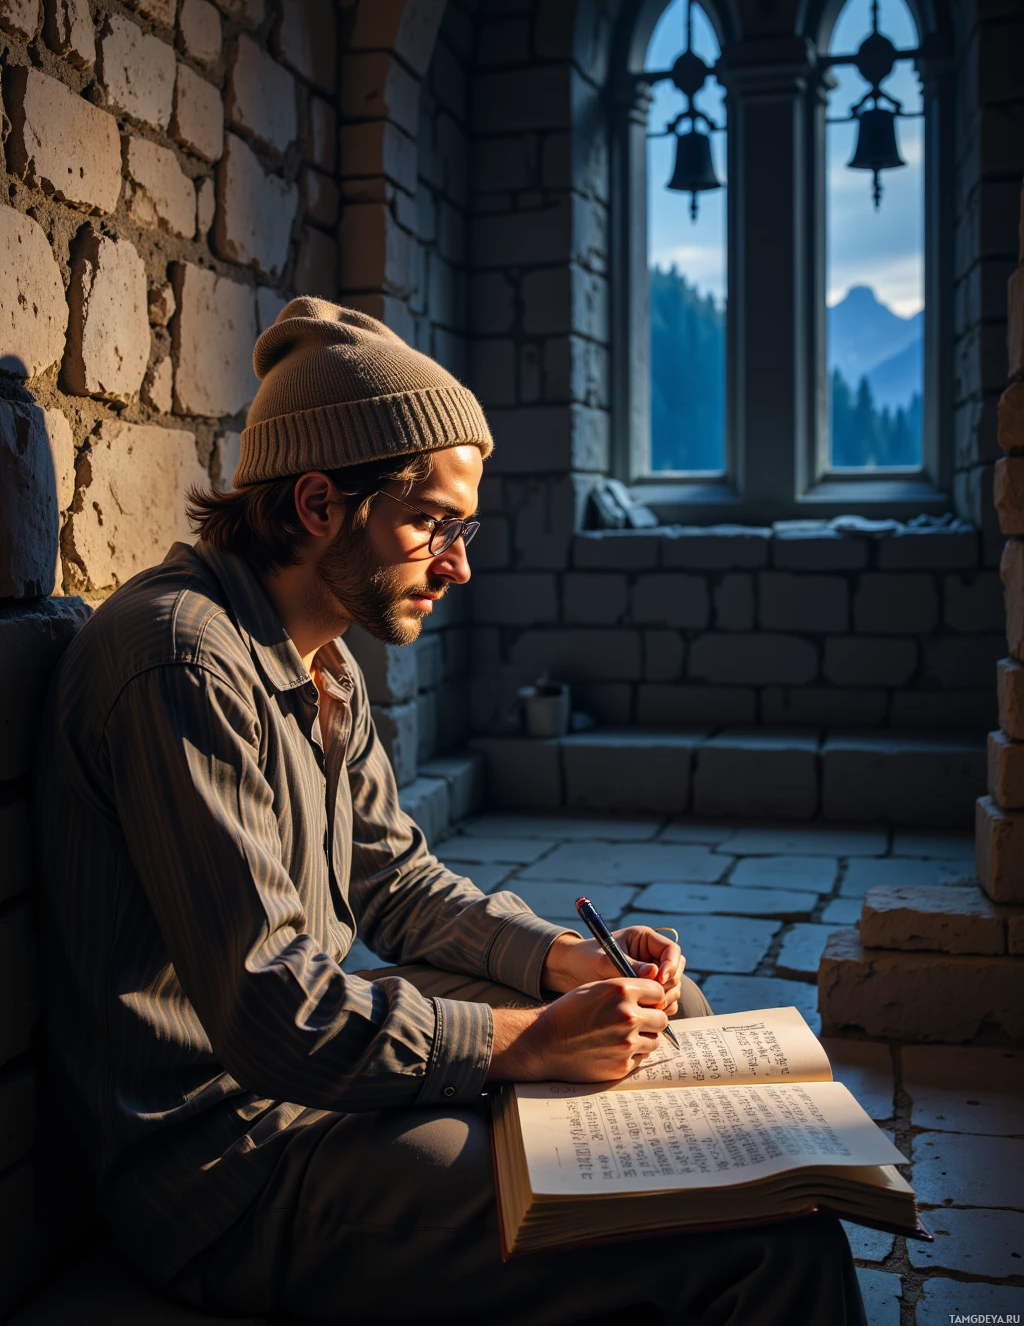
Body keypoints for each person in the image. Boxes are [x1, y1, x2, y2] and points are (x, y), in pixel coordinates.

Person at [34, 300, 866, 1324]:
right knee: (778, 1245)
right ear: (316, 503)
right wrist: (526, 1042)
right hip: (231, 1163)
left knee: (667, 1019)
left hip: (303, 1086)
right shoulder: (180, 661)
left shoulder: (319, 655)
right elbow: (272, 1012)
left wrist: (562, 959)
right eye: (433, 524)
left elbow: (400, 884)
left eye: (462, 529)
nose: (459, 565)